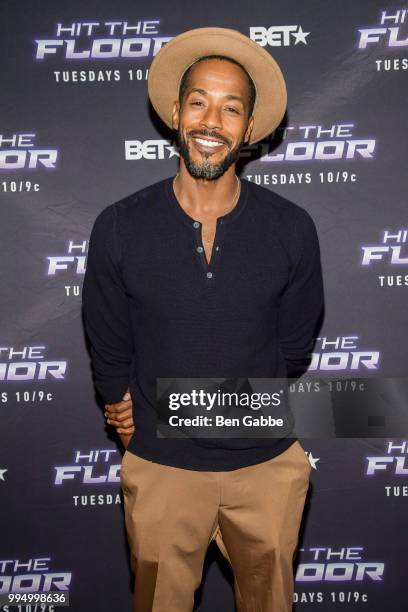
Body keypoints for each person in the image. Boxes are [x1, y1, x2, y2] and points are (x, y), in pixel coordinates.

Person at [82, 27, 324, 612]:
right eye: (199, 102)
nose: (211, 121)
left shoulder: (291, 228)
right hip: (162, 469)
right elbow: (109, 345)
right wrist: (125, 409)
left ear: (248, 127)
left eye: (230, 108)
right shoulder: (119, 226)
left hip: (267, 469)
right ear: (174, 111)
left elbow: (293, 348)